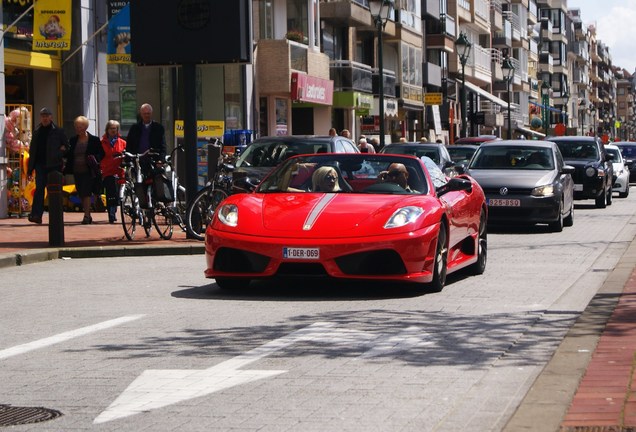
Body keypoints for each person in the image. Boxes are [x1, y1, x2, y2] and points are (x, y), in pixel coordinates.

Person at [26, 107, 69, 224]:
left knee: (54, 191)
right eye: (43, 116)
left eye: (47, 116)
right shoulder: (37, 131)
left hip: (54, 165)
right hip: (40, 165)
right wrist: (30, 168)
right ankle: (36, 215)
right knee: (39, 189)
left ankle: (56, 216)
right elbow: (32, 150)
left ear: (51, 117)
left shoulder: (58, 131)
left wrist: (60, 153)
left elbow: (67, 146)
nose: (45, 118)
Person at [125, 103, 166, 178]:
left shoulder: (159, 128)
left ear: (151, 113)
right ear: (141, 114)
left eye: (148, 113)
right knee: (139, 185)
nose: (147, 115)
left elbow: (163, 146)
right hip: (138, 162)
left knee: (157, 184)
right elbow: (129, 145)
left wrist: (161, 160)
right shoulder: (134, 128)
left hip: (153, 162)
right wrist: (128, 160)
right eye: (144, 114)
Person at [100, 120, 127, 223]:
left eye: (115, 128)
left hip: (119, 171)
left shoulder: (123, 143)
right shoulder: (102, 143)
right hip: (107, 171)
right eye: (111, 128)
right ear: (107, 129)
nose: (113, 130)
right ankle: (111, 214)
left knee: (117, 193)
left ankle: (114, 211)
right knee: (110, 192)